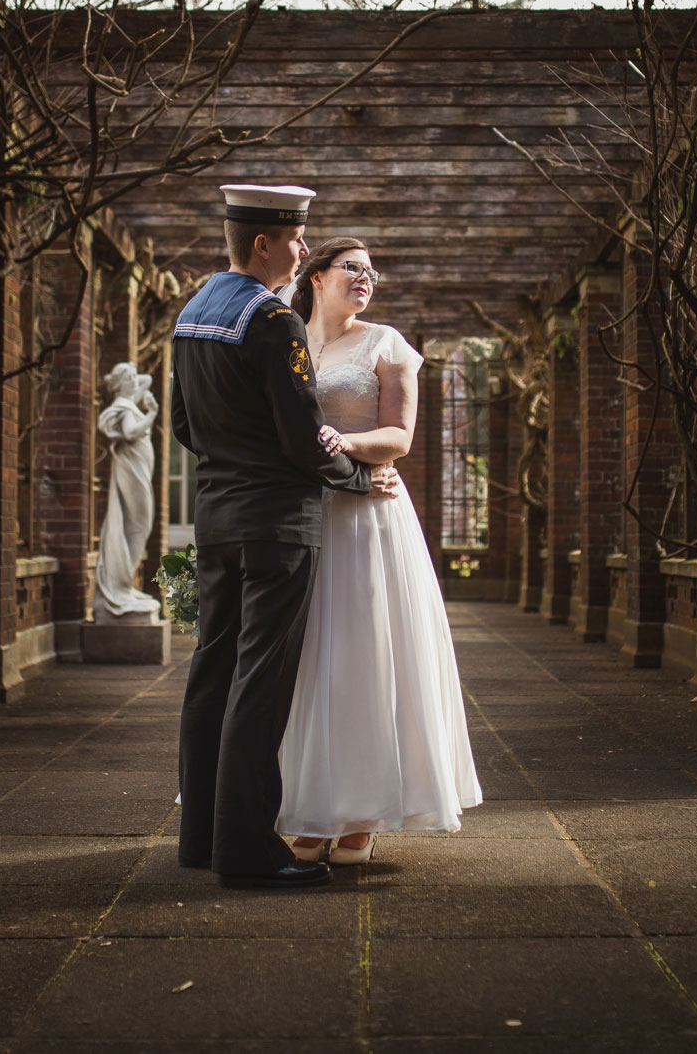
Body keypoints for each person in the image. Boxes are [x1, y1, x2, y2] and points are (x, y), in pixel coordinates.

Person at [171, 184, 401, 890]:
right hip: (277, 527)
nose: (304, 250)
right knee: (259, 683)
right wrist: (364, 482)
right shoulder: (271, 319)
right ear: (264, 243)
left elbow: (183, 425)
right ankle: (249, 850)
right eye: (297, 239)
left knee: (212, 673)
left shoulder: (192, 312)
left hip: (216, 520)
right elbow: (305, 441)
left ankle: (203, 838)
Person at [280, 238, 483, 866]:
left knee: (363, 656)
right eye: (353, 269)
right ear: (316, 277)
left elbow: (399, 436)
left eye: (373, 272)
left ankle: (362, 816)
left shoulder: (385, 342)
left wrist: (342, 441)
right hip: (301, 514)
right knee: (309, 660)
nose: (366, 279)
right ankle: (313, 806)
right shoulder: (285, 339)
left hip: (367, 515)